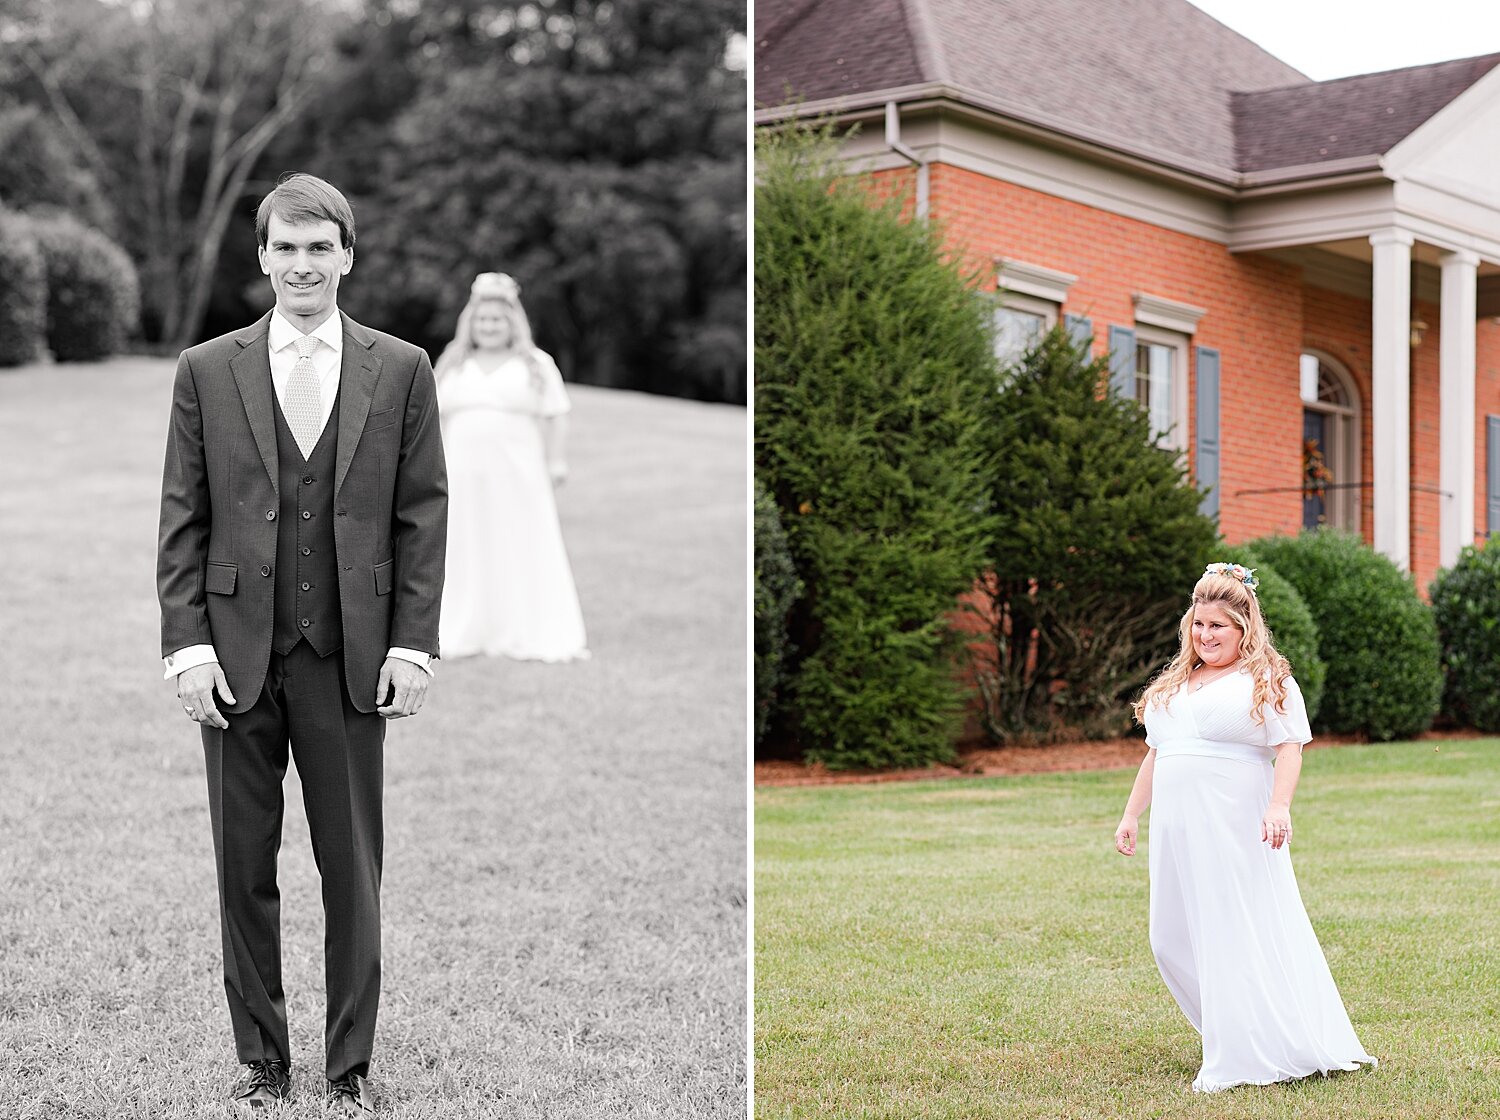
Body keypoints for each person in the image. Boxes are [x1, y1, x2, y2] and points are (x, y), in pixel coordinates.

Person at [157, 172, 447, 1115]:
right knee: (243, 866)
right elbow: (182, 520)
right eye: (285, 247)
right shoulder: (207, 368)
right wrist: (186, 647)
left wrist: (414, 644)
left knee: (350, 868)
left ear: (347, 257)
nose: (301, 264)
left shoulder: (400, 368)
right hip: (235, 655)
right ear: (262, 257)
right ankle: (261, 1059)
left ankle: (348, 1065)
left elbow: (420, 519)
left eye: (319, 247)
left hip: (350, 656)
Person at [1114, 562, 1376, 1093]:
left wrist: (1279, 806)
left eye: (1219, 626)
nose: (1206, 636)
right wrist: (1131, 815)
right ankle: (1238, 1029)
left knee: (1230, 931)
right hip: (1177, 829)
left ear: (1244, 629)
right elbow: (1157, 754)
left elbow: (1290, 746)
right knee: (1169, 938)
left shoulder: (1267, 680)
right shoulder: (1176, 683)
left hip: (1235, 824)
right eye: (1199, 624)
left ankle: (1240, 1053)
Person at [433, 272, 589, 662]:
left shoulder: (535, 364)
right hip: (462, 470)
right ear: (471, 322)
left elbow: (556, 415)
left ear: (512, 322)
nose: (489, 327)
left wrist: (556, 460)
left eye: (497, 320)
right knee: (464, 543)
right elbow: (433, 418)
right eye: (482, 320)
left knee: (518, 541)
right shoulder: (453, 363)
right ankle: (463, 628)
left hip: (518, 471)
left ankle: (523, 628)